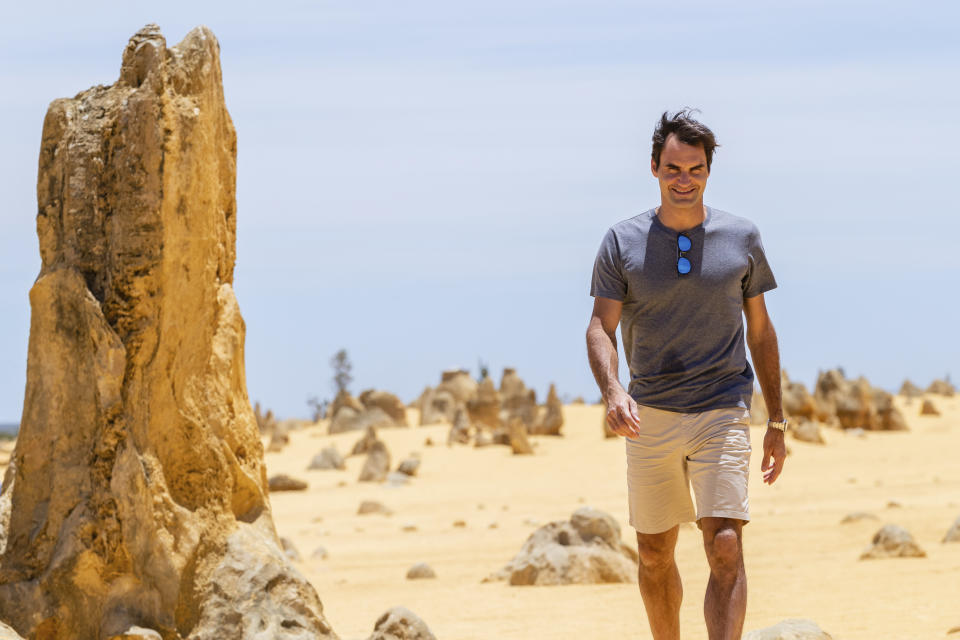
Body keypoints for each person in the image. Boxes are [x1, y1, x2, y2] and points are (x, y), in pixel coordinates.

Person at [585, 109, 786, 640]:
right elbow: (600, 328)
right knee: (654, 551)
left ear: (708, 172)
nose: (684, 180)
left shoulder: (741, 237)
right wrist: (612, 391)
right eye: (674, 168)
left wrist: (778, 421)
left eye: (695, 169)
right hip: (648, 411)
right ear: (654, 168)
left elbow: (761, 332)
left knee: (724, 543)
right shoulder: (620, 241)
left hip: (722, 406)